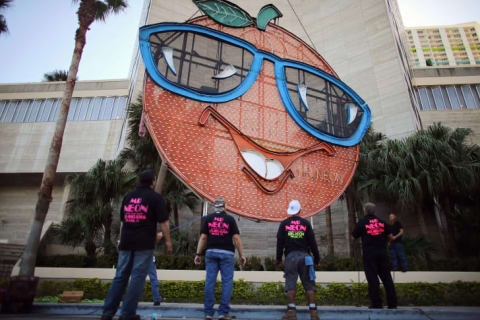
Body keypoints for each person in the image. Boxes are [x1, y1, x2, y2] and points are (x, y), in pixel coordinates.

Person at [101, 170, 172, 320]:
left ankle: (107, 313)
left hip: (126, 243)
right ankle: (127, 314)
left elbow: (123, 221)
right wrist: (167, 241)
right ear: (153, 182)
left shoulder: (128, 196)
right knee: (138, 278)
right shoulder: (155, 198)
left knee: (120, 277)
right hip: (144, 244)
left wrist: (120, 240)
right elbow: (164, 222)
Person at [194, 198, 246, 320]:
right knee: (227, 282)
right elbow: (237, 239)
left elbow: (203, 238)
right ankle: (223, 312)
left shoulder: (208, 219)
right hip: (227, 254)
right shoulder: (230, 219)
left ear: (214, 207)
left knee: (210, 282)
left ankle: (208, 313)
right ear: (225, 207)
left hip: (211, 252)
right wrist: (241, 255)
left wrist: (197, 254)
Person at [276, 200, 320, 320]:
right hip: (306, 257)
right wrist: (317, 259)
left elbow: (280, 243)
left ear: (290, 211)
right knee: (309, 283)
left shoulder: (284, 224)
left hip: (291, 258)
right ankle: (313, 312)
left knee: (291, 283)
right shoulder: (306, 223)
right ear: (300, 211)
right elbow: (313, 242)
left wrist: (278, 260)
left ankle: (291, 311)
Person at [352, 203, 397, 309]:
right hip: (382, 253)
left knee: (372, 279)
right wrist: (384, 242)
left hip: (369, 254)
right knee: (387, 278)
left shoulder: (362, 223)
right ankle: (392, 303)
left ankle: (377, 303)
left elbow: (353, 237)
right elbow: (391, 236)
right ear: (374, 211)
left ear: (365, 211)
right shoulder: (382, 222)